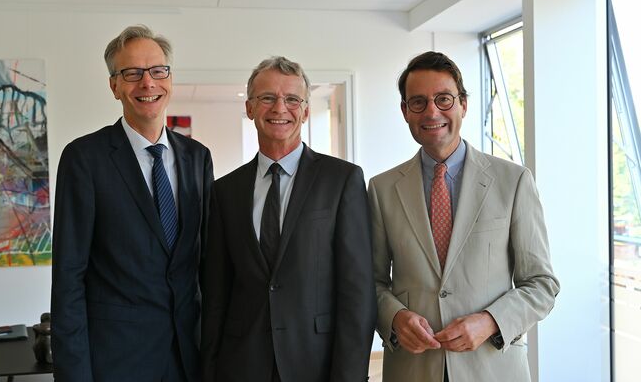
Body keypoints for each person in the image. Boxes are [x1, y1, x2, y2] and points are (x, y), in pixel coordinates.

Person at [368, 51, 560, 382]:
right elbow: (369, 280)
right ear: (405, 111)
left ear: (463, 105)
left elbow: (542, 284)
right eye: (418, 102)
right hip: (412, 370)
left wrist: (491, 321)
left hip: (492, 368)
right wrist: (395, 318)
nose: (432, 111)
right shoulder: (382, 188)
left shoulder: (513, 182)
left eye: (444, 99)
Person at [51, 24, 213, 382]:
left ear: (170, 78)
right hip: (117, 362)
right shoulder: (84, 159)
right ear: (114, 86)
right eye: (132, 73)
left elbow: (204, 265)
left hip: (190, 358)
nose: (148, 83)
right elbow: (68, 278)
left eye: (158, 71)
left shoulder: (197, 158)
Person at [201, 56, 376, 382]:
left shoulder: (342, 181)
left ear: (306, 111)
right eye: (267, 98)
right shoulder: (224, 191)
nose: (280, 108)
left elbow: (358, 293)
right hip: (240, 365)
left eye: (292, 99)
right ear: (250, 107)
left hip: (316, 363)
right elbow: (216, 294)